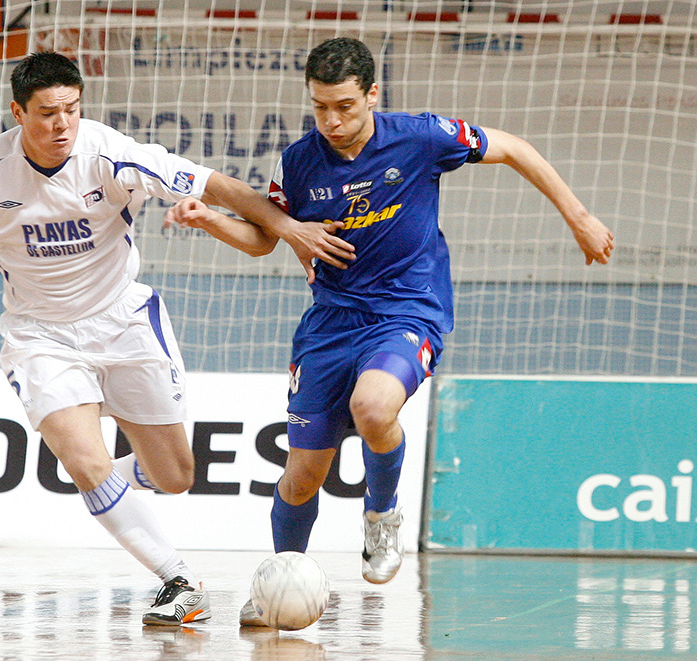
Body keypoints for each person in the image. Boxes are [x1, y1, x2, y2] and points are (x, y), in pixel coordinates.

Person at [162, 37, 615, 626]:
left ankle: (381, 516)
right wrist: (209, 222)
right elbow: (264, 239)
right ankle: (279, 580)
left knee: (374, 407)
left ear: (373, 94)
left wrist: (578, 217)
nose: (332, 120)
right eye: (320, 106)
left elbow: (513, 148)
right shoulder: (299, 162)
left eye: (345, 106)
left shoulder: (420, 137)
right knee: (301, 478)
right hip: (329, 326)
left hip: (408, 310)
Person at [0, 52, 351, 625]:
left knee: (176, 476)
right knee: (84, 462)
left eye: (71, 110)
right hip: (39, 335)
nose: (61, 125)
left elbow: (221, 186)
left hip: (123, 321)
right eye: (47, 113)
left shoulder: (113, 155)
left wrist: (289, 227)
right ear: (17, 113)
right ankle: (179, 579)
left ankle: (106, 486)